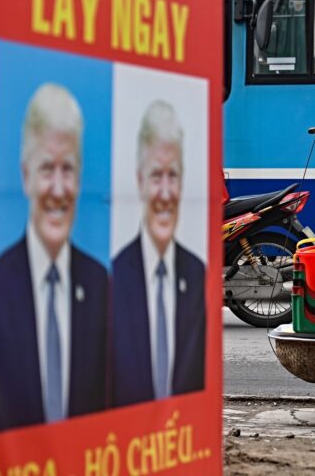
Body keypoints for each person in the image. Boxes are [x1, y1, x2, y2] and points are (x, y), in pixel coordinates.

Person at [0, 83, 108, 433]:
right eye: (46, 169)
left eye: (67, 170)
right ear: (25, 176)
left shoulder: (100, 284)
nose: (57, 188)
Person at [111, 100, 206, 408]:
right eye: (156, 177)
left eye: (173, 176)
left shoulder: (197, 274)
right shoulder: (110, 280)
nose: (165, 193)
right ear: (139, 182)